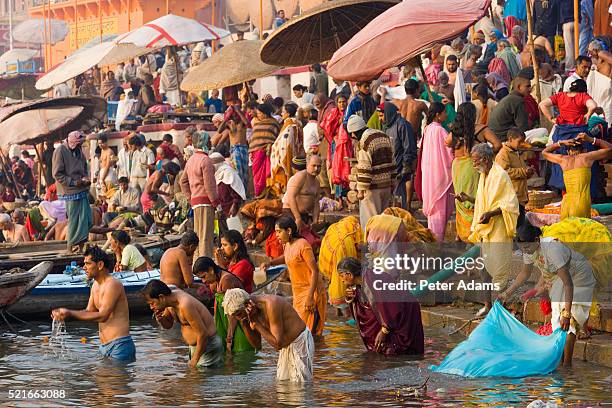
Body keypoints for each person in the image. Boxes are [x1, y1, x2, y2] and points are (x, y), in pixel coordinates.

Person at [500, 221, 597, 367]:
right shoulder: (529, 250)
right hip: (560, 277)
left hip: (579, 276)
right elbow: (525, 273)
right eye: (522, 248)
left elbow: (568, 284)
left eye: (527, 247)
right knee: (557, 320)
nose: (525, 251)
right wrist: (506, 294)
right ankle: (560, 360)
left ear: (537, 240)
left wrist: (567, 312)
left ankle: (567, 365)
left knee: (570, 320)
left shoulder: (553, 249)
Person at [456, 144, 519, 315]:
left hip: (498, 229)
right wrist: (467, 198)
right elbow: (485, 200)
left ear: (485, 159)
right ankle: (488, 305)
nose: (474, 164)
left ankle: (501, 306)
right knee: (484, 269)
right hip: (486, 230)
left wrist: (491, 214)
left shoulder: (500, 175)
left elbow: (510, 204)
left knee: (499, 269)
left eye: (475, 161)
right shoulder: (484, 175)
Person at [52, 246, 136, 363]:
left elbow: (103, 316)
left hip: (119, 345)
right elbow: (89, 312)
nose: (84, 267)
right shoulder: (95, 285)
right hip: (104, 346)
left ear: (100, 265)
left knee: (116, 381)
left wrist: (70, 313)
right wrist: (65, 315)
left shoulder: (113, 284)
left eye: (88, 264)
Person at [340, 253, 424, 355]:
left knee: (403, 351)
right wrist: (351, 298)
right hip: (391, 318)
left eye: (341, 276)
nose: (341, 280)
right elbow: (366, 308)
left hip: (405, 313)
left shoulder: (374, 279)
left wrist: (384, 331)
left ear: (350, 275)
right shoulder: (360, 284)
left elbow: (391, 307)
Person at [225, 288, 315, 381]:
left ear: (247, 304)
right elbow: (257, 346)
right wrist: (245, 323)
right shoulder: (247, 313)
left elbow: (277, 345)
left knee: (301, 386)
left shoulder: (271, 304)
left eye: (239, 314)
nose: (238, 318)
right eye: (235, 316)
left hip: (300, 341)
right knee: (283, 385)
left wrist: (256, 324)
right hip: (285, 346)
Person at [261, 217, 327, 336]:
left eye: (279, 231)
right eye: (276, 232)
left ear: (289, 231)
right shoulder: (287, 245)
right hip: (298, 293)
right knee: (300, 331)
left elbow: (315, 271)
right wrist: (270, 263)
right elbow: (286, 257)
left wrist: (310, 297)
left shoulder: (303, 245)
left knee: (307, 333)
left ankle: (317, 354)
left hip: (310, 291)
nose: (276, 235)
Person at [143, 279, 223, 368]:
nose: (151, 307)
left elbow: (202, 333)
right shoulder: (169, 299)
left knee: (199, 378)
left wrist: (194, 360)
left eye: (152, 303)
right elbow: (168, 326)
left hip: (208, 345)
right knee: (195, 378)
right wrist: (161, 319)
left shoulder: (185, 305)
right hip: (196, 346)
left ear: (161, 297)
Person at [194, 257, 261, 353]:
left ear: (211, 270)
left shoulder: (226, 280)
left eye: (204, 277)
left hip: (238, 327)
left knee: (239, 357)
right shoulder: (217, 280)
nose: (203, 281)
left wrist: (230, 337)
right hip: (229, 326)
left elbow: (233, 312)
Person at [542, 134, 611, 219]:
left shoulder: (563, 159)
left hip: (567, 204)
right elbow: (609, 148)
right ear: (584, 150)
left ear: (568, 152)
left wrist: (561, 143)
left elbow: (544, 152)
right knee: (581, 229)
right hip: (582, 204)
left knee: (568, 229)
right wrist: (591, 139)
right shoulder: (586, 157)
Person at [347, 115, 395, 230]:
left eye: (352, 134)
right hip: (386, 185)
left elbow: (364, 168)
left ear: (354, 132)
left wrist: (361, 190)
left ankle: (371, 247)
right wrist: (393, 181)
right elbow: (393, 161)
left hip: (372, 188)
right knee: (384, 222)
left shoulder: (365, 142)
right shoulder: (384, 136)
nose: (353, 137)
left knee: (371, 223)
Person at [180, 132, 219, 259]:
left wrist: (190, 198)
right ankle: (204, 265)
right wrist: (215, 203)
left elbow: (183, 181)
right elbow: (209, 185)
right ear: (203, 142)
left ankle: (197, 264)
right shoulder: (205, 160)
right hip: (205, 202)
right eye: (208, 141)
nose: (211, 143)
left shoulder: (191, 159)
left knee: (198, 236)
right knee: (205, 237)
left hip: (196, 203)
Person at [52, 131, 92, 253]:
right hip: (69, 190)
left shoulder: (79, 150)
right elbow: (57, 174)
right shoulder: (60, 151)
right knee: (74, 219)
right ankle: (70, 247)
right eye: (78, 144)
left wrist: (85, 178)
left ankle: (81, 246)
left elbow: (84, 167)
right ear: (72, 143)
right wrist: (73, 182)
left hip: (81, 188)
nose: (80, 146)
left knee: (86, 219)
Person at [421, 103, 454, 242]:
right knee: (439, 211)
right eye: (444, 112)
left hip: (430, 174)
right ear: (437, 115)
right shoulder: (440, 130)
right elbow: (450, 151)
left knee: (435, 212)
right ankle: (436, 244)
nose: (446, 115)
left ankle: (434, 242)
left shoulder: (427, 129)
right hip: (440, 174)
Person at [281, 153, 322, 248]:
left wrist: (315, 221)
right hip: (291, 213)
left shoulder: (317, 182)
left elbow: (316, 203)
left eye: (319, 166)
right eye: (314, 166)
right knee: (296, 243)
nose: (316, 169)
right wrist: (297, 218)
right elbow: (291, 196)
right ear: (307, 165)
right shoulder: (300, 177)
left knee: (313, 242)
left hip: (304, 215)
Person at [495, 127, 534, 226]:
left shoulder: (516, 151)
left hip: (520, 195)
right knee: (513, 224)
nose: (522, 144)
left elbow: (520, 171)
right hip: (511, 196)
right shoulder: (503, 154)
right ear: (510, 139)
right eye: (519, 142)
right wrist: (523, 172)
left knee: (519, 222)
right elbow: (504, 172)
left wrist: (528, 172)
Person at [382, 101, 417, 211]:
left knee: (399, 197)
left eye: (381, 115)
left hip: (400, 168)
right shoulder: (386, 126)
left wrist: (406, 166)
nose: (380, 119)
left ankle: (401, 217)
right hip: (390, 169)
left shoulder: (402, 125)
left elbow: (409, 146)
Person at [269, 103, 304, 195]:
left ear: (288, 114)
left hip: (288, 155)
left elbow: (285, 144)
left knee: (289, 175)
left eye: (283, 112)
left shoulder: (290, 125)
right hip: (296, 154)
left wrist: (279, 156)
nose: (281, 114)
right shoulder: (296, 124)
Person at [250, 103, 281, 196]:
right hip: (256, 152)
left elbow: (277, 137)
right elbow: (254, 139)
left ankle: (268, 194)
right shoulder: (256, 123)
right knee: (256, 174)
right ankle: (258, 194)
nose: (258, 115)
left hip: (268, 152)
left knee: (267, 173)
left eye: (259, 113)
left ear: (265, 113)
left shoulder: (274, 123)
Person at [488, 76, 531, 140]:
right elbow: (523, 127)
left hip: (495, 136)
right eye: (527, 86)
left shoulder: (511, 98)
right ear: (519, 87)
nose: (530, 89)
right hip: (504, 137)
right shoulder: (517, 100)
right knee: (543, 131)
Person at [97, 134, 118, 199]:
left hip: (108, 175)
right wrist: (99, 177)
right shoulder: (102, 150)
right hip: (102, 173)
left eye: (102, 143)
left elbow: (108, 165)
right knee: (103, 196)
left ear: (106, 142)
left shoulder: (110, 151)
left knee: (109, 195)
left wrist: (102, 178)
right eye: (99, 143)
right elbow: (101, 165)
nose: (100, 145)